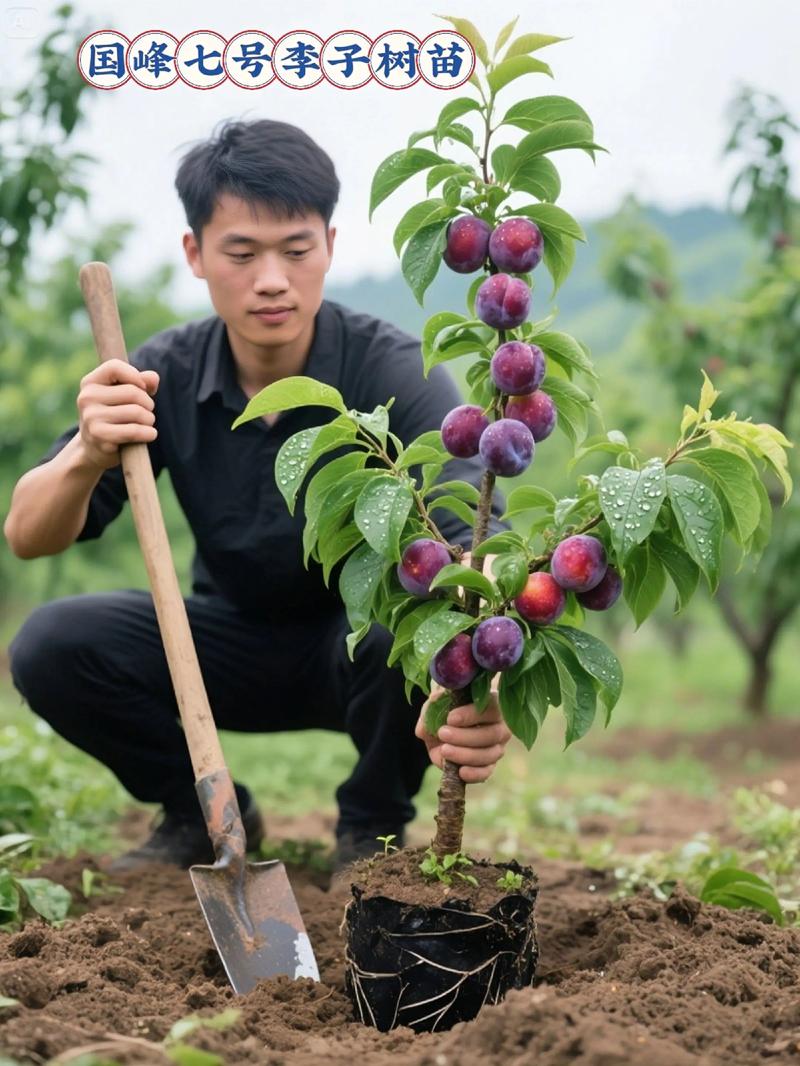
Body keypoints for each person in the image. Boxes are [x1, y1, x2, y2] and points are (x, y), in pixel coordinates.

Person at [3, 118, 513, 873]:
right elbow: (27, 533)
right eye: (241, 253)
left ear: (330, 249)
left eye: (296, 250)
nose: (271, 278)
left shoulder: (393, 371)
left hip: (360, 653)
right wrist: (86, 450)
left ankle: (371, 829)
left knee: (404, 630)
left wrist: (487, 673)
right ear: (197, 256)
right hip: (220, 647)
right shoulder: (157, 376)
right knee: (51, 645)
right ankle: (201, 810)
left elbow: (471, 551)